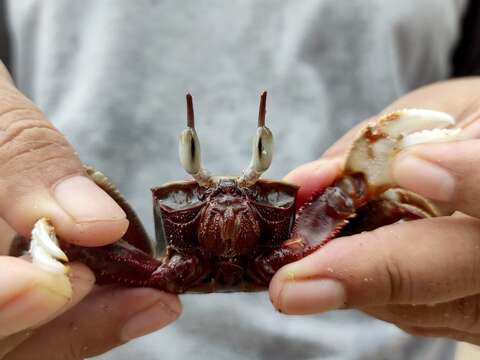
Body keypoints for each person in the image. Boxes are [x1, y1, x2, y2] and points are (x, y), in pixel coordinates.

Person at [0, 1, 479, 359]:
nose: (227, 209)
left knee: (387, 199)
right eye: (193, 198)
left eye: (260, 197)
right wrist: (28, 236)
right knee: (72, 221)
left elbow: (395, 192)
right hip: (85, 336)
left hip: (378, 340)